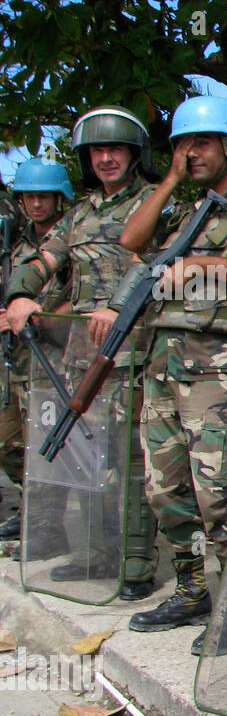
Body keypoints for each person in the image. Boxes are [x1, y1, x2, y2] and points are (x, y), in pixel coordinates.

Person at [92, 95, 227, 653]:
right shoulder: (182, 213)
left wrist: (199, 266)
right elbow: (131, 242)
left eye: (201, 142)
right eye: (181, 143)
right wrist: (172, 182)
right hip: (163, 363)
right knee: (165, 487)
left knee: (219, 493)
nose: (190, 152)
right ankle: (193, 588)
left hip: (216, 370)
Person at [6, 107, 162, 600]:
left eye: (115, 149)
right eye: (97, 150)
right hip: (78, 358)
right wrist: (20, 296)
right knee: (88, 456)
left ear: (134, 154)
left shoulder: (156, 204)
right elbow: (44, 258)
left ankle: (136, 565)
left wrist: (118, 307)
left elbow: (156, 263)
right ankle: (98, 552)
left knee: (133, 463)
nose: (107, 158)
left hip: (133, 352)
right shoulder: (80, 213)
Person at [0, 159, 76, 541]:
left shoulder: (71, 242)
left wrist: (43, 316)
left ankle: (47, 527)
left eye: (43, 195)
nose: (35, 203)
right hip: (15, 353)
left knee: (46, 441)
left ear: (58, 198)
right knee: (8, 440)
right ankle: (30, 508)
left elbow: (82, 294)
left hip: (53, 352)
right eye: (29, 196)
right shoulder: (15, 242)